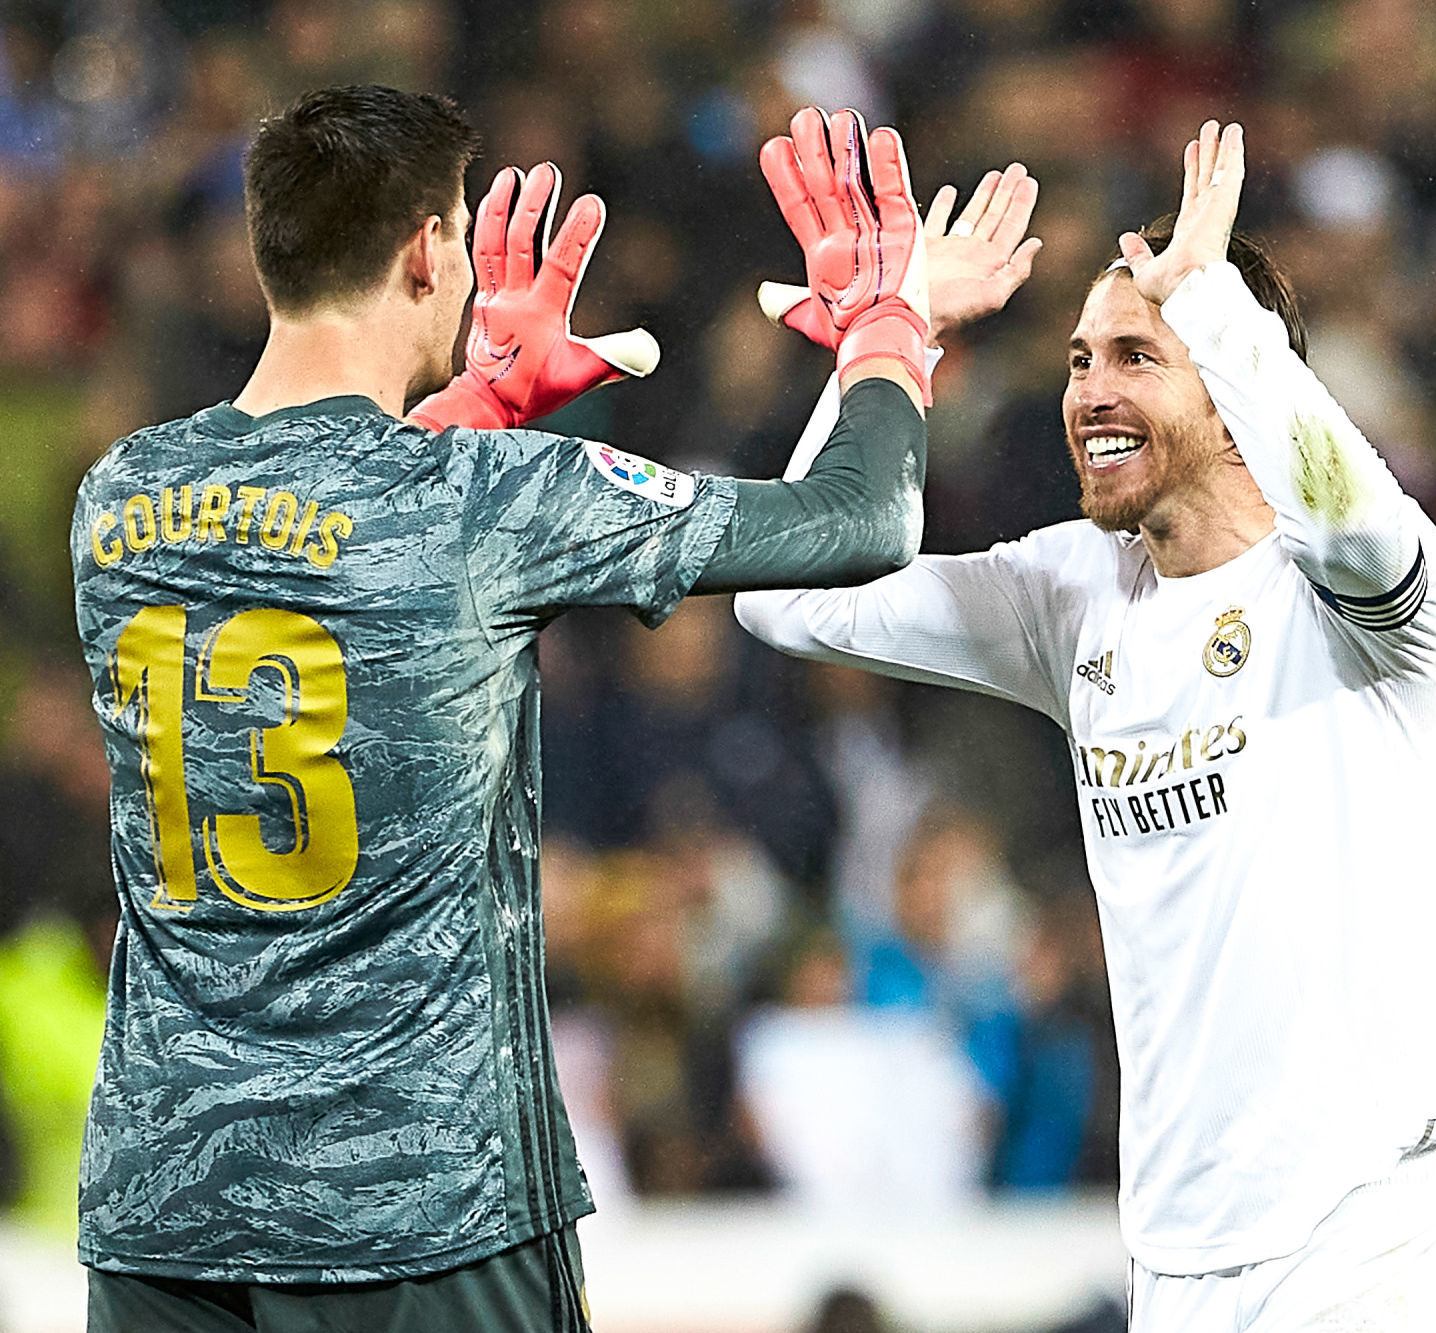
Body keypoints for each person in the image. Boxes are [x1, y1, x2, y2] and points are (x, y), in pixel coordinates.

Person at [71, 85, 957, 1332]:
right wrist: (887, 327)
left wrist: (470, 401)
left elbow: (312, 538)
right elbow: (864, 521)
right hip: (423, 1206)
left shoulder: (119, 496)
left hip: (163, 1201)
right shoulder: (481, 500)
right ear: (430, 252)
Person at [737, 121, 1436, 1329]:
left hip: (1369, 1231)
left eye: (1137, 355)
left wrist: (1213, 302)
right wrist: (889, 342)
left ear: (1238, 385)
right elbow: (785, 598)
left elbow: (1354, 523)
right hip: (1173, 1255)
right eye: (1081, 358)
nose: (1088, 389)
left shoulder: (1363, 605)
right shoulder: (1071, 592)